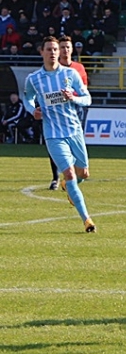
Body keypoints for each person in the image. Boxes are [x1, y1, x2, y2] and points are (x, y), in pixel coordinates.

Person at [23, 37, 96, 233]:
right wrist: (33, 110)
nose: (53, 52)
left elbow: (87, 98)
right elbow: (27, 97)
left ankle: (68, 186)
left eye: (56, 49)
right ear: (42, 52)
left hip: (74, 130)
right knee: (70, 173)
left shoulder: (71, 74)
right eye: (49, 49)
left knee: (83, 173)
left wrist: (74, 98)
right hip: (53, 134)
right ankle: (87, 220)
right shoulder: (34, 79)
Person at [47, 36, 89, 190]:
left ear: (72, 49)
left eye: (68, 47)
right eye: (62, 47)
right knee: (56, 143)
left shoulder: (79, 68)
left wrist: (73, 97)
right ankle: (55, 178)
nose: (65, 50)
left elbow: (84, 91)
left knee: (75, 144)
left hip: (76, 109)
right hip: (57, 110)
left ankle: (72, 178)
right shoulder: (52, 69)